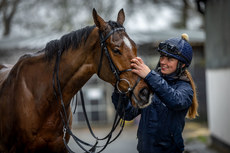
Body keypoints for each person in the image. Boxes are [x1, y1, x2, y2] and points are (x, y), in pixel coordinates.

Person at [112, 33, 199, 153]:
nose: (163, 61)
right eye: (162, 57)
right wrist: (119, 90)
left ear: (182, 64)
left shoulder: (185, 88)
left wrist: (149, 75)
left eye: (170, 59)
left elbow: (175, 101)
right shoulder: (151, 82)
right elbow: (128, 114)